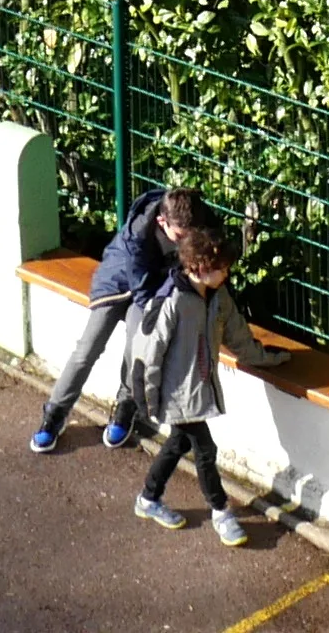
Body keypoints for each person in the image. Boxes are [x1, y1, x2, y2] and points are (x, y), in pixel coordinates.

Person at [120, 214, 274, 546]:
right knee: (205, 450)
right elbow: (151, 351)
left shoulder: (218, 297)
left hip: (197, 390)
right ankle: (221, 512)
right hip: (176, 393)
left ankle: (148, 499)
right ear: (201, 268)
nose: (227, 273)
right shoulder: (173, 301)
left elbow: (239, 338)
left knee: (177, 444)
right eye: (222, 268)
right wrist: (149, 397)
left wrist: (271, 359)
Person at [25, 184, 185, 454]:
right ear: (162, 221)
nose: (184, 241)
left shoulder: (191, 220)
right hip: (121, 282)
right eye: (178, 235)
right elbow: (142, 288)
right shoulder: (139, 235)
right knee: (87, 349)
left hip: (152, 287)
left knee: (137, 347)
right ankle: (55, 413)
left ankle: (126, 405)